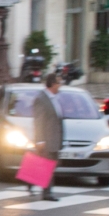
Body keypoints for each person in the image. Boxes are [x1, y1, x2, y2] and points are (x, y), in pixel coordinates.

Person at [33, 73, 64, 201]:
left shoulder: (53, 98)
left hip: (54, 139)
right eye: (58, 83)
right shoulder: (42, 99)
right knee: (48, 166)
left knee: (51, 165)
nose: (60, 85)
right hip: (47, 139)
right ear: (52, 84)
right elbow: (39, 121)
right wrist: (40, 140)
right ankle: (47, 193)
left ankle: (31, 182)